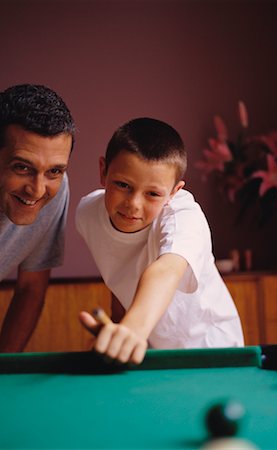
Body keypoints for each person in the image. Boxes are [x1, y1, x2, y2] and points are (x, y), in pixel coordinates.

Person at [75, 117, 244, 365]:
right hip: (152, 351)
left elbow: (165, 270)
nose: (133, 204)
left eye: (152, 194)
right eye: (123, 185)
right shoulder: (87, 214)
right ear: (103, 171)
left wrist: (132, 329)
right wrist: (119, 327)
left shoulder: (185, 216)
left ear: (175, 192)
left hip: (214, 350)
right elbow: (119, 269)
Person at [0, 84, 75, 353]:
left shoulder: (55, 191)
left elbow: (30, 288)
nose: (37, 190)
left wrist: (2, 371)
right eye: (22, 167)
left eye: (54, 170)